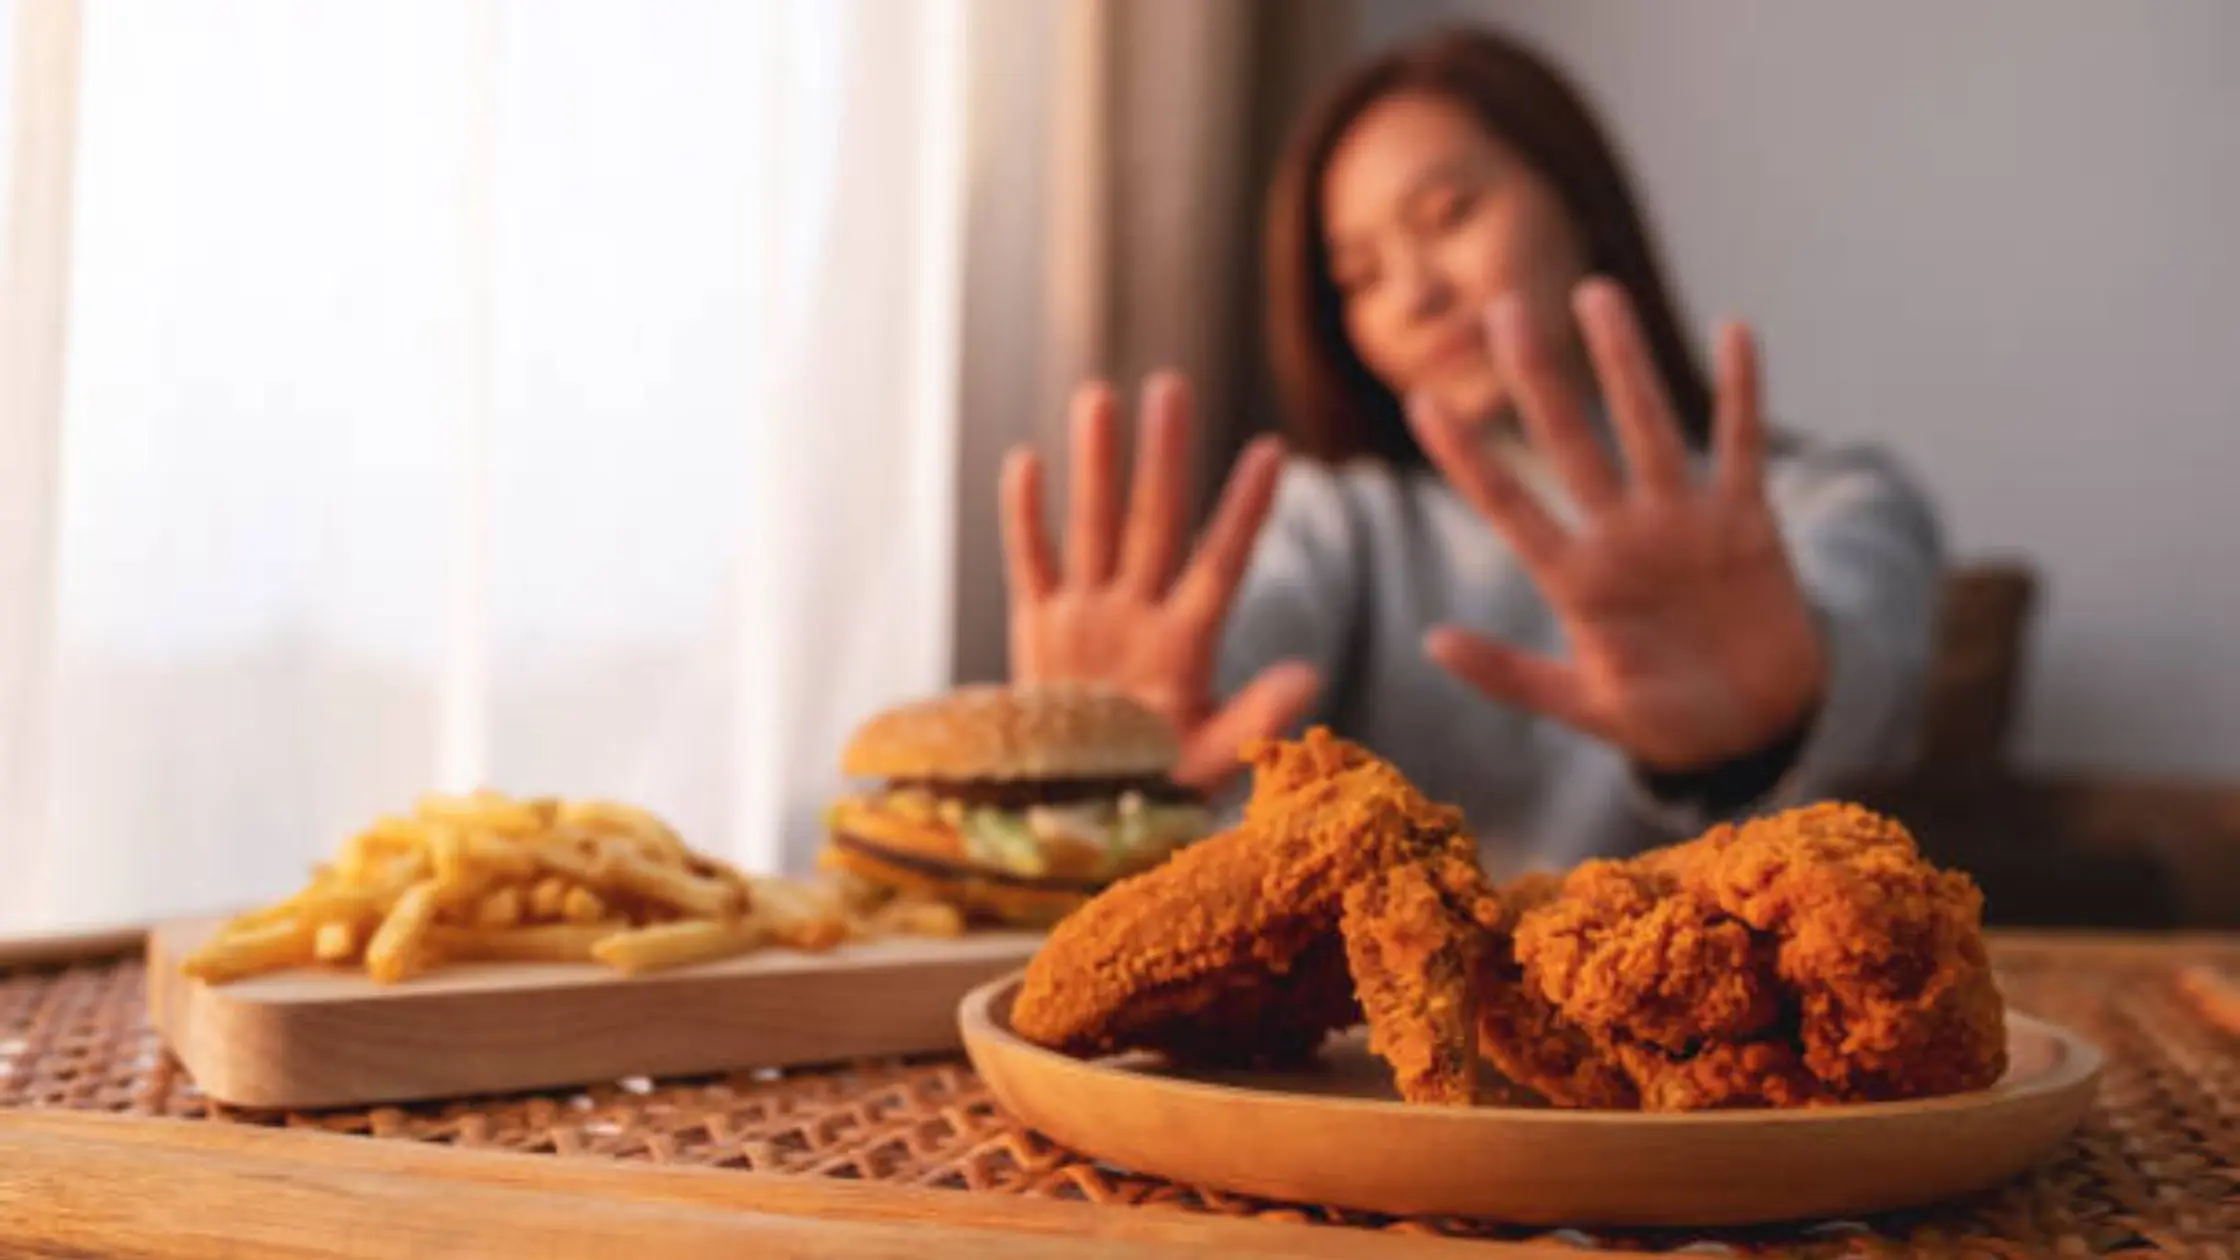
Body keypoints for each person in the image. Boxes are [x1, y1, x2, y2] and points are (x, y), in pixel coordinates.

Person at [997, 27, 1942, 873]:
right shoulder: (1344, 519)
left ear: (1579, 205)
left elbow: (1873, 687)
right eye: (1359, 275)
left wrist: (1760, 734)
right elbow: (1231, 675)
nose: (1412, 294)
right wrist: (1113, 752)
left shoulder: (1835, 500)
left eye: (1448, 216)